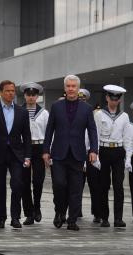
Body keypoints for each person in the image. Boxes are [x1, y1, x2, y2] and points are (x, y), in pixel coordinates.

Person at [43, 75, 98, 231]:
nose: (71, 89)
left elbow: (92, 131)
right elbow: (49, 130)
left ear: (78, 88)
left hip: (78, 154)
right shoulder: (56, 106)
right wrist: (46, 150)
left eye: (74, 86)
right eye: (68, 86)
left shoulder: (87, 109)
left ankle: (72, 220)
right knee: (59, 185)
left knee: (76, 188)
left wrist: (94, 150)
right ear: (65, 88)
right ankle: (59, 211)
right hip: (59, 154)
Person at [0, 80, 31, 229]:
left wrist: (28, 156)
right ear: (1, 92)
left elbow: (27, 135)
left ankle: (15, 217)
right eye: (8, 91)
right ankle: (1, 218)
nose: (11, 93)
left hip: (17, 154)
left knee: (17, 184)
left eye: (13, 91)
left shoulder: (22, 111)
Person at [94, 85, 130, 228]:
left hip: (118, 151)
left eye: (117, 99)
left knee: (118, 186)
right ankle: (104, 218)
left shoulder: (125, 116)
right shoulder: (99, 114)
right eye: (111, 98)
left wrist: (128, 157)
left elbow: (127, 138)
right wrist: (95, 155)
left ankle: (118, 218)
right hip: (103, 150)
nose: (114, 101)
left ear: (120, 100)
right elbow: (95, 135)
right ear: (107, 98)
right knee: (103, 186)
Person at [19, 82, 48, 225]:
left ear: (37, 96)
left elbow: (49, 134)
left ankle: (37, 207)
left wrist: (47, 151)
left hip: (39, 147)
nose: (31, 97)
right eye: (28, 95)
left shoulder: (44, 113)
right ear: (24, 96)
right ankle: (28, 213)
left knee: (38, 180)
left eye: (33, 95)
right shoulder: (19, 111)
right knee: (24, 182)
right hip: (24, 148)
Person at [80, 88, 103, 223]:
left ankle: (97, 212)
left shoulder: (93, 114)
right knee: (76, 184)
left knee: (95, 184)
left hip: (90, 153)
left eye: (84, 99)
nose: (81, 101)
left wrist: (95, 153)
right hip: (77, 152)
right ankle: (76, 210)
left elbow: (96, 135)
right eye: (80, 99)